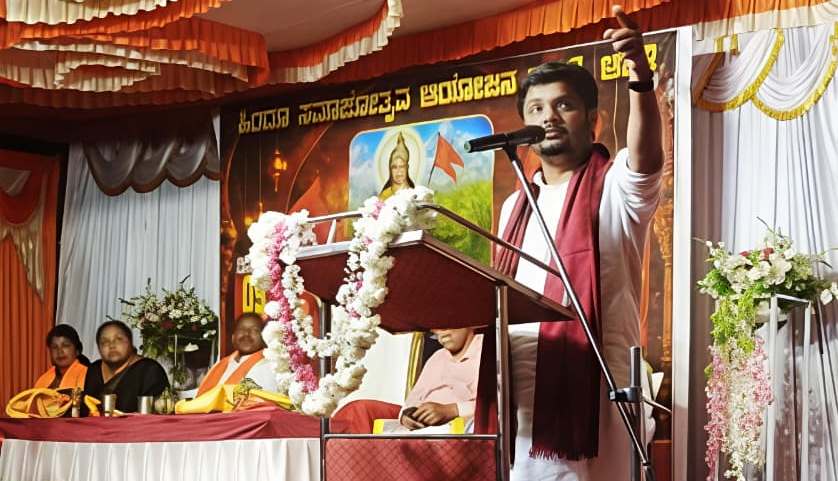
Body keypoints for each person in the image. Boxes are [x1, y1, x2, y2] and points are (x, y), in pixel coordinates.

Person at [476, 6, 662, 481]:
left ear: (593, 121)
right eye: (537, 109)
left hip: (595, 393)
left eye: (564, 105)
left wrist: (640, 78)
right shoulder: (515, 205)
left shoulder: (614, 185)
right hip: (518, 400)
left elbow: (646, 158)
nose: (549, 117)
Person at [332, 328, 482, 434]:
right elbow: (412, 401)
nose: (441, 333)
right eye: (437, 327)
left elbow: (495, 406)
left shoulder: (488, 351)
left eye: (448, 324)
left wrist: (451, 410)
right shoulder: (438, 357)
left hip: (462, 427)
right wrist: (408, 415)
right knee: (358, 410)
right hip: (420, 426)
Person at [84, 320, 169, 413]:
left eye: (119, 339)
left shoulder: (150, 370)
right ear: (99, 348)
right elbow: (87, 410)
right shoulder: (94, 369)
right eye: (105, 342)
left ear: (130, 343)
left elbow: (158, 413)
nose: (112, 345)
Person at [194, 312, 278, 395]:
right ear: (233, 337)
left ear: (264, 337)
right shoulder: (222, 364)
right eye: (241, 329)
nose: (246, 334)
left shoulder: (269, 366)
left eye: (254, 330)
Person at [33, 324, 90, 390]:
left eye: (65, 345)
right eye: (54, 347)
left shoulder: (87, 376)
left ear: (77, 350)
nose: (60, 351)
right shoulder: (43, 379)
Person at [379, 132, 415, 199]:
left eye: (402, 166)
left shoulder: (415, 193)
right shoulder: (384, 196)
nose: (398, 172)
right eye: (394, 167)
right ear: (390, 169)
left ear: (407, 167)